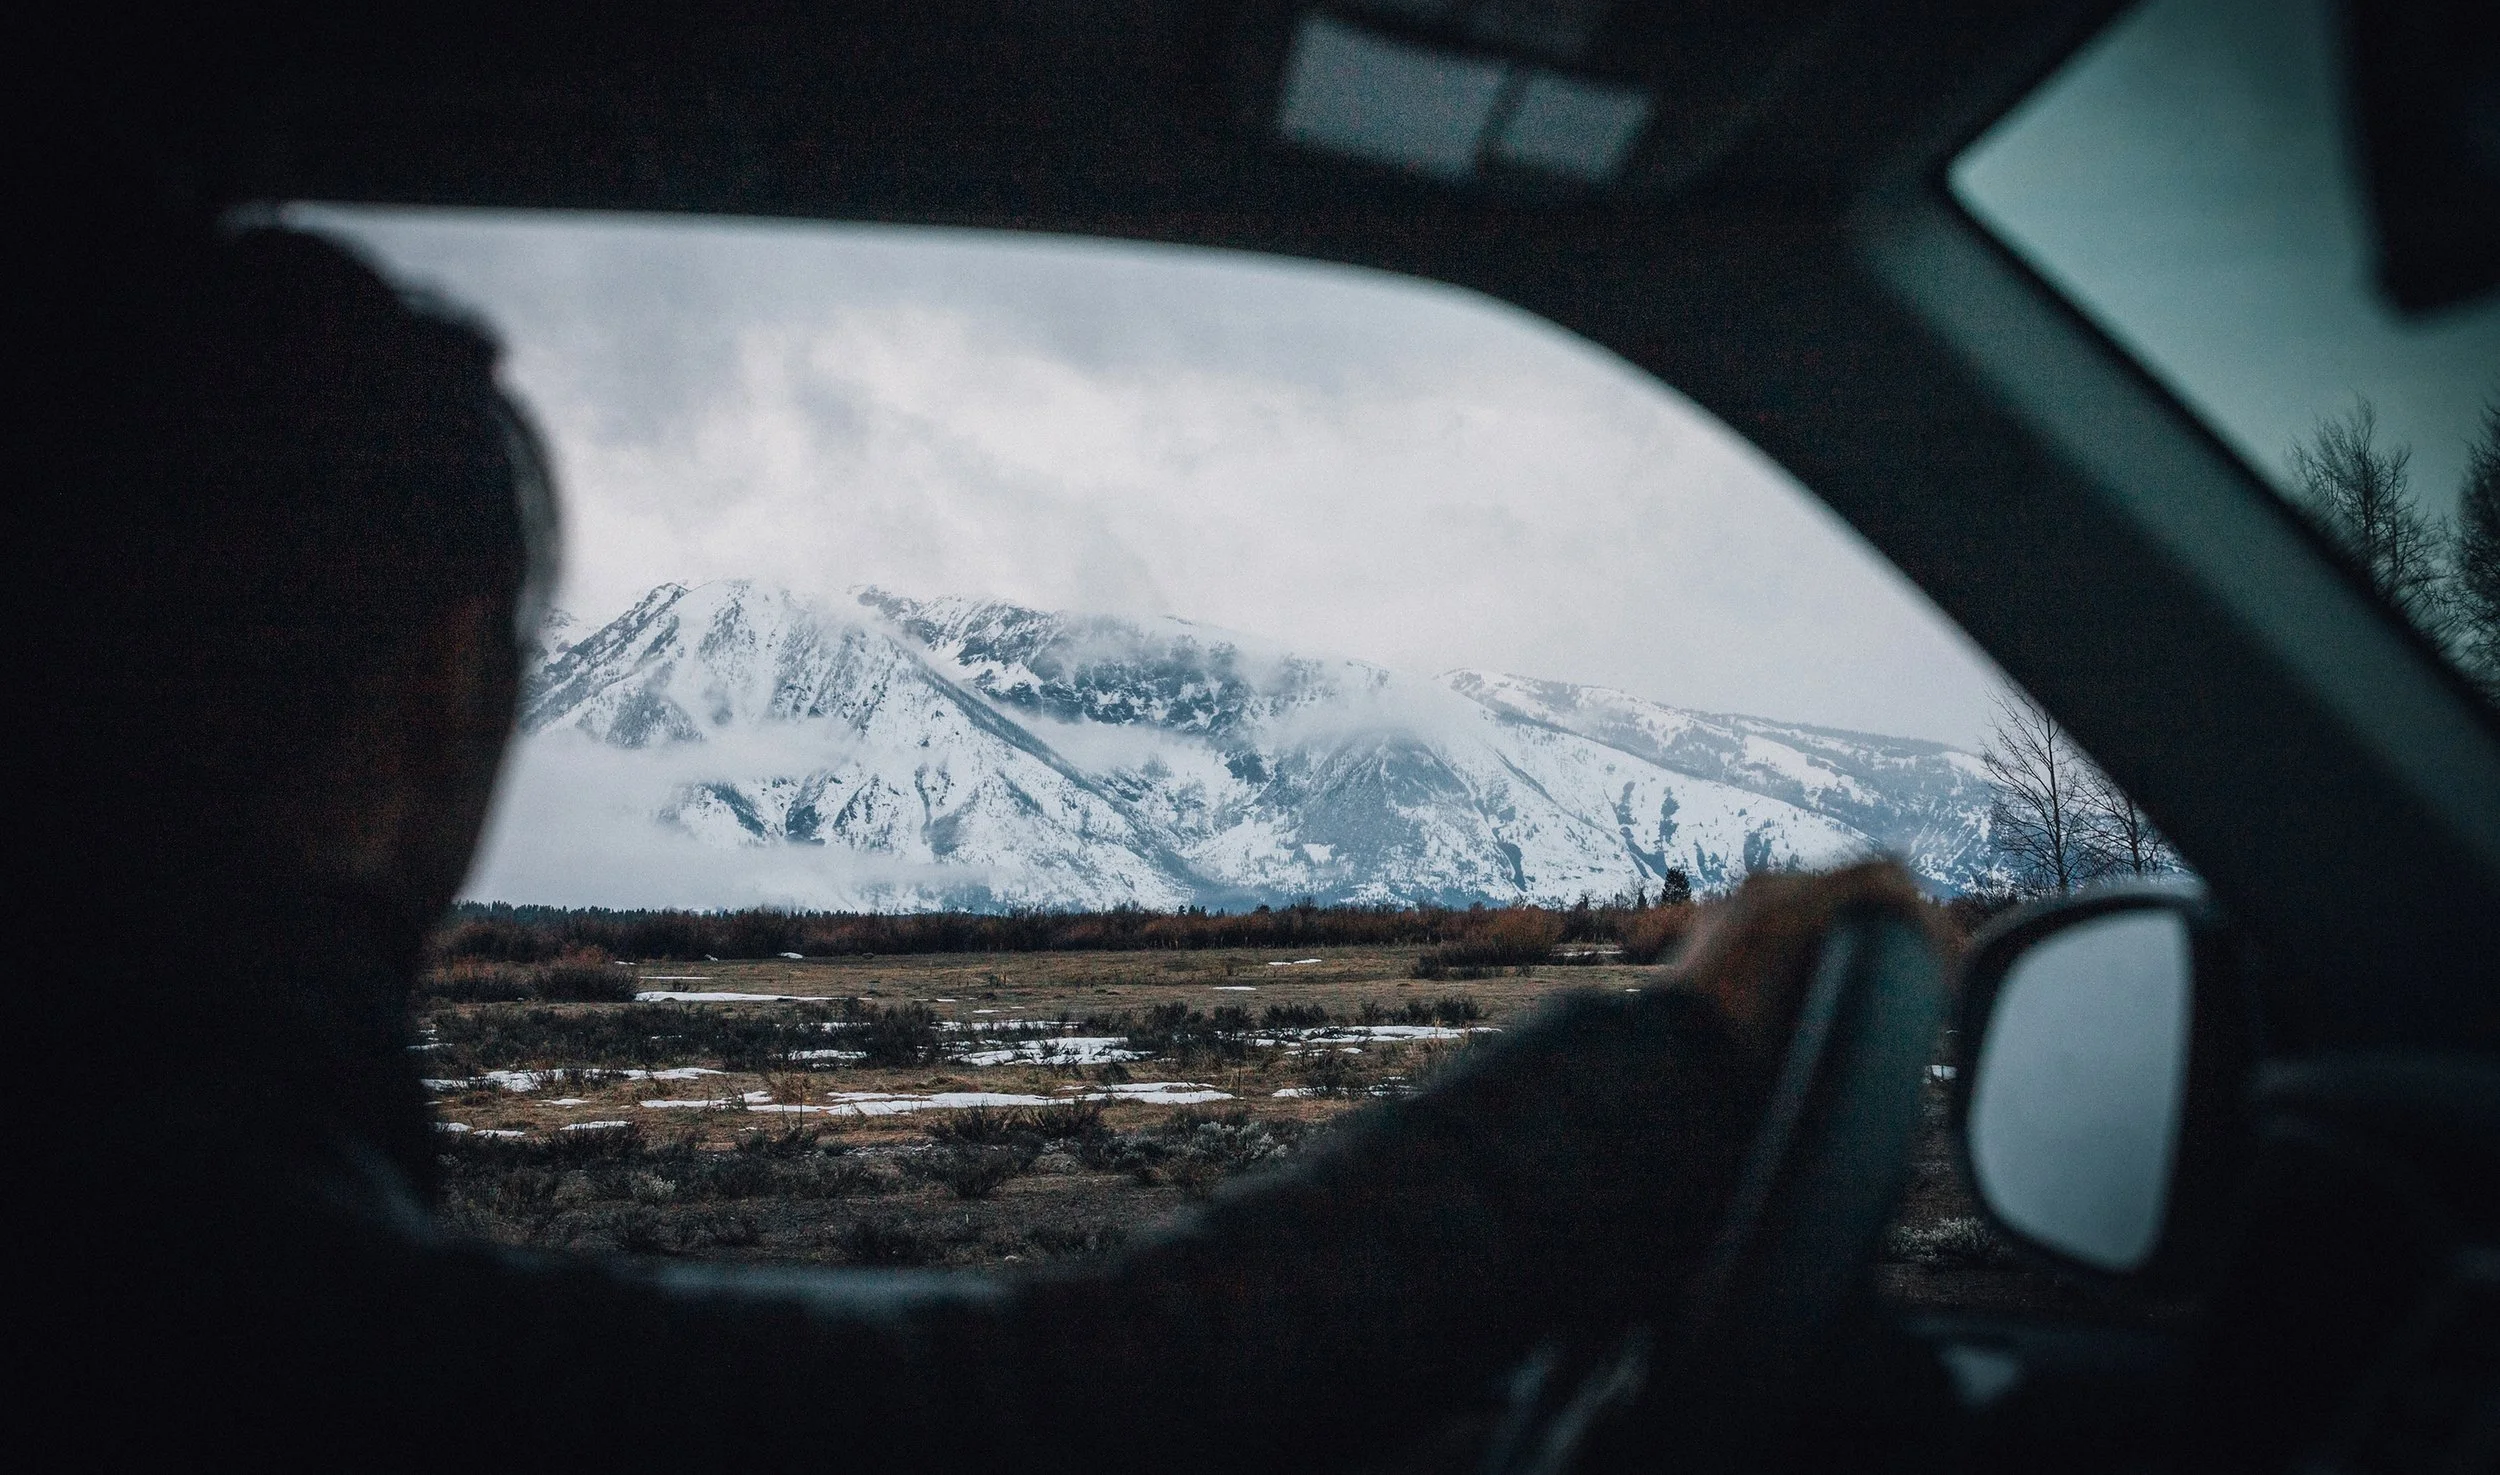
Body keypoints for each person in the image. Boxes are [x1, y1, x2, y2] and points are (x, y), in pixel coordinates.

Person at [28, 225, 1937, 1468]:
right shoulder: (157, 1256)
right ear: (437, 695)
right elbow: (1039, 1419)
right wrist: (1664, 1061)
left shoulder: (143, 1183)